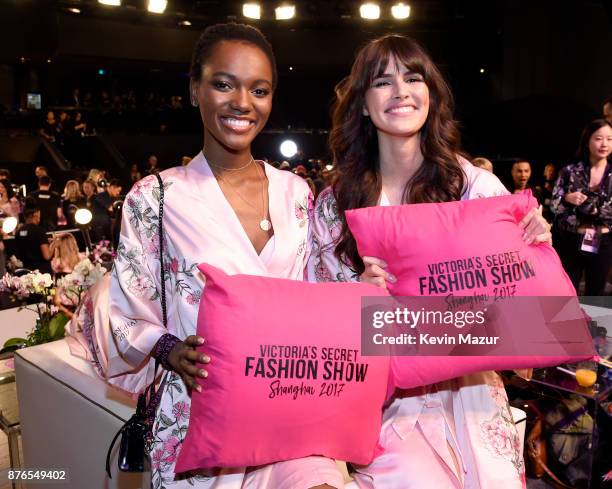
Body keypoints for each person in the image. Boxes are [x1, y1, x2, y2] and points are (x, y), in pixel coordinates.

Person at [309, 34, 551, 488]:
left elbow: (522, 305)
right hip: (386, 404)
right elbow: (316, 315)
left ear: (430, 93)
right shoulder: (334, 203)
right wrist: (360, 293)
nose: (400, 90)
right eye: (383, 81)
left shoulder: (475, 187)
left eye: (413, 77)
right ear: (363, 103)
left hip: (473, 396)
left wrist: (534, 244)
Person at [109, 23, 339, 489]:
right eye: (223, 84)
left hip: (292, 403)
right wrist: (170, 350)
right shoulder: (154, 196)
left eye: (259, 90)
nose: (242, 103)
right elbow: (125, 310)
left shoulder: (297, 192)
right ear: (195, 90)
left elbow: (324, 291)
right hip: (200, 420)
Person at [551, 119, 612, 295]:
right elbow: (554, 205)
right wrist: (566, 198)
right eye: (598, 138)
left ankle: (593, 323)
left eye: (610, 139)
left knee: (596, 292)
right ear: (587, 140)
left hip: (603, 241)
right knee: (567, 291)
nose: (604, 144)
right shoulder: (569, 171)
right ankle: (570, 323)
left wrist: (596, 210)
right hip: (571, 239)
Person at [15, 206, 52, 274]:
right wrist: (54, 245)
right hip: (41, 274)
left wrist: (45, 241)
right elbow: (47, 256)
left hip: (25, 273)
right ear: (36, 214)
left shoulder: (18, 232)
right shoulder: (39, 231)